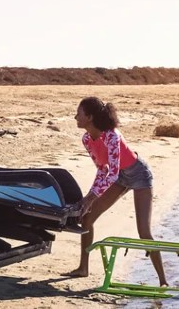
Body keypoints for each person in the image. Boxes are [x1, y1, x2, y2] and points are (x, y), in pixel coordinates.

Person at [69, 96, 167, 287]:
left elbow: (111, 174)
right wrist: (89, 198)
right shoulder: (87, 139)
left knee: (144, 232)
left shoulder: (112, 136)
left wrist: (90, 197)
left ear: (89, 117)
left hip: (139, 175)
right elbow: (102, 169)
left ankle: (163, 281)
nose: (75, 117)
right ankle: (83, 268)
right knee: (87, 219)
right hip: (119, 177)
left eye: (79, 113)